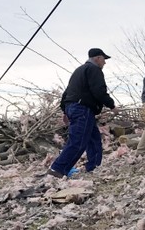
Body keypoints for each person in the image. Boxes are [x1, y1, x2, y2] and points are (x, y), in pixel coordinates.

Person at [48, 48, 115, 178]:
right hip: (82, 109)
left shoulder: (79, 71)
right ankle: (57, 169)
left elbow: (67, 92)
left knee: (94, 139)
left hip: (74, 107)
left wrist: (65, 110)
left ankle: (94, 166)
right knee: (78, 141)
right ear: (97, 58)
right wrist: (111, 105)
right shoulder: (94, 70)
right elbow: (99, 90)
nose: (105, 63)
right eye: (103, 59)